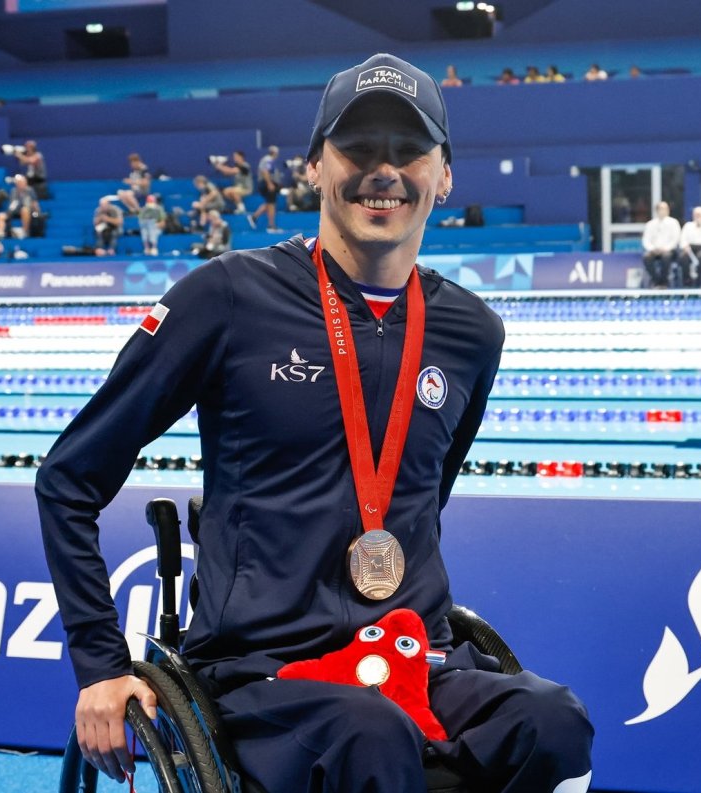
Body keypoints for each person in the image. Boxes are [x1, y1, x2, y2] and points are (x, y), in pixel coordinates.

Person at [37, 52, 593, 793]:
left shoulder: (471, 332)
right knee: (367, 731)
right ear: (313, 167)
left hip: (414, 657)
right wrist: (100, 664)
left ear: (444, 176)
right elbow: (68, 478)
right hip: (262, 673)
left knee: (554, 720)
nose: (383, 171)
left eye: (409, 150)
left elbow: (423, 498)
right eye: (358, 148)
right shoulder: (226, 297)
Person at [641, 200, 682, 288]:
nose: (663, 211)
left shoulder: (673, 223)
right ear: (657, 211)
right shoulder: (650, 224)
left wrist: (666, 249)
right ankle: (656, 281)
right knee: (646, 257)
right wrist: (652, 249)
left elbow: (676, 239)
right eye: (661, 209)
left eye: (665, 209)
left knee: (666, 257)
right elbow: (646, 240)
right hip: (654, 250)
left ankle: (664, 282)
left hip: (669, 250)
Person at [250, 145, 283, 232]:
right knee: (271, 204)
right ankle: (271, 226)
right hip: (267, 184)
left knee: (269, 203)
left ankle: (254, 217)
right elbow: (265, 171)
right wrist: (269, 183)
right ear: (275, 153)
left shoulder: (268, 160)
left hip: (268, 183)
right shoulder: (268, 159)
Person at [0, 174, 38, 239]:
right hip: (14, 211)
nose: (20, 184)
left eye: (22, 182)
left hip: (26, 211)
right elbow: (11, 204)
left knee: (24, 210)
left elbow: (34, 203)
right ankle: (0, 233)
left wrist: (37, 212)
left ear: (25, 183)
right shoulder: (13, 191)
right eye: (19, 183)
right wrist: (9, 212)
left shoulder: (30, 190)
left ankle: (25, 232)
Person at [214, 150, 254, 214]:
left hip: (246, 188)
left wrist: (220, 166)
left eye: (236, 156)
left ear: (241, 157)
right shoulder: (236, 166)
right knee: (226, 192)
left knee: (233, 191)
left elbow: (231, 171)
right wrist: (220, 165)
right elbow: (227, 173)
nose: (234, 158)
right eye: (234, 157)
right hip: (238, 188)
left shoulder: (245, 165)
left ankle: (242, 209)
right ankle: (239, 205)